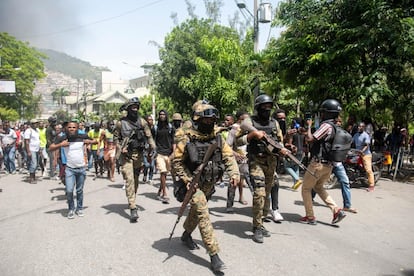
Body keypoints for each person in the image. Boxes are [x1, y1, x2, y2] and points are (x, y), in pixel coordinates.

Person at [173, 101, 240, 273]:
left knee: (197, 212)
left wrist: (234, 174)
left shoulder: (217, 137)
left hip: (210, 183)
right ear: (198, 119)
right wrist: (187, 180)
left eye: (212, 120)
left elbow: (228, 156)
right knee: (203, 213)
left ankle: (186, 234)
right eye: (206, 120)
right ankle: (214, 255)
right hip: (193, 185)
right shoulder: (186, 137)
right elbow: (176, 162)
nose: (210, 123)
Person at [238, 94, 289, 243]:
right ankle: (257, 227)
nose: (267, 110)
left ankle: (262, 220)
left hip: (271, 162)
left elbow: (279, 141)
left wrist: (283, 149)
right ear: (258, 108)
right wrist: (252, 135)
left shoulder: (274, 123)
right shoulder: (249, 121)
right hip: (256, 161)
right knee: (259, 193)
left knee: (266, 194)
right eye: (264, 107)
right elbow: (237, 139)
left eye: (269, 107)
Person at [301, 99, 346, 225]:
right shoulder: (336, 127)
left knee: (306, 189)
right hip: (329, 165)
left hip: (317, 164)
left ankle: (310, 217)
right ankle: (336, 210)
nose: (321, 115)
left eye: (323, 112)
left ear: (327, 113)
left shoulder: (326, 125)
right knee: (318, 187)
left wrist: (309, 126)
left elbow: (310, 139)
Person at [114, 97, 155, 222]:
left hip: (139, 155)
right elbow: (115, 139)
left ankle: (132, 198)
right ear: (128, 109)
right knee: (130, 180)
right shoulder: (121, 123)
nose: (135, 109)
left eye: (136, 107)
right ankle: (133, 207)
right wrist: (121, 147)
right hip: (126, 156)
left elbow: (149, 137)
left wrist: (153, 148)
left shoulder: (142, 122)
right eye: (133, 107)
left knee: (136, 182)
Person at [49, 120, 97, 219]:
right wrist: (61, 145)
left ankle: (79, 208)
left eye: (74, 127)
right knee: (69, 190)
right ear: (66, 128)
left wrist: (89, 142)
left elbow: (96, 141)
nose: (71, 129)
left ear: (77, 128)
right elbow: (51, 147)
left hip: (81, 168)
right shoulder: (63, 137)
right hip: (69, 169)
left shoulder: (82, 136)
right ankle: (71, 209)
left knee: (79, 191)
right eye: (70, 127)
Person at [225, 110, 249, 213]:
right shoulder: (234, 130)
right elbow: (227, 146)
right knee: (233, 182)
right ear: (240, 120)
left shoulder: (250, 129)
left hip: (247, 160)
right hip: (235, 160)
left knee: (251, 182)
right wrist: (236, 154)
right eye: (245, 119)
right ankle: (229, 204)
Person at [153, 110, 175, 203]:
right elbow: (152, 140)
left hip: (168, 154)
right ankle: (164, 194)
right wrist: (153, 151)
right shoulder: (155, 127)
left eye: (163, 114)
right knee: (163, 172)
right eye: (160, 114)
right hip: (159, 153)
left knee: (165, 174)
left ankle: (159, 191)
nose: (162, 116)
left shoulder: (170, 127)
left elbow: (173, 140)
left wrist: (174, 152)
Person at [352, 122, 375, 192]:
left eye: (361, 126)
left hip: (365, 154)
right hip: (357, 153)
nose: (359, 128)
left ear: (364, 128)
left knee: (368, 170)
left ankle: (371, 185)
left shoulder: (366, 135)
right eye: (359, 126)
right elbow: (351, 142)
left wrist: (362, 151)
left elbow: (366, 145)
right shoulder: (356, 135)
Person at [24, 119, 41, 184]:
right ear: (31, 124)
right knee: (34, 164)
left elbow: (38, 140)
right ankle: (31, 178)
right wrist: (28, 151)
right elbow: (27, 141)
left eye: (37, 123)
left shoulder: (37, 131)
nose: (36, 124)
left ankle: (33, 177)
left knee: (36, 164)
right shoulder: (28, 131)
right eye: (35, 123)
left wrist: (39, 149)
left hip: (37, 149)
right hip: (31, 149)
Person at [142, 114, 155, 185]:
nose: (150, 121)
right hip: (145, 150)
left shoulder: (154, 129)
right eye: (149, 119)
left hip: (152, 150)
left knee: (152, 165)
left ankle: (150, 178)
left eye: (151, 119)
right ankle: (145, 175)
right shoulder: (143, 129)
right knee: (146, 165)